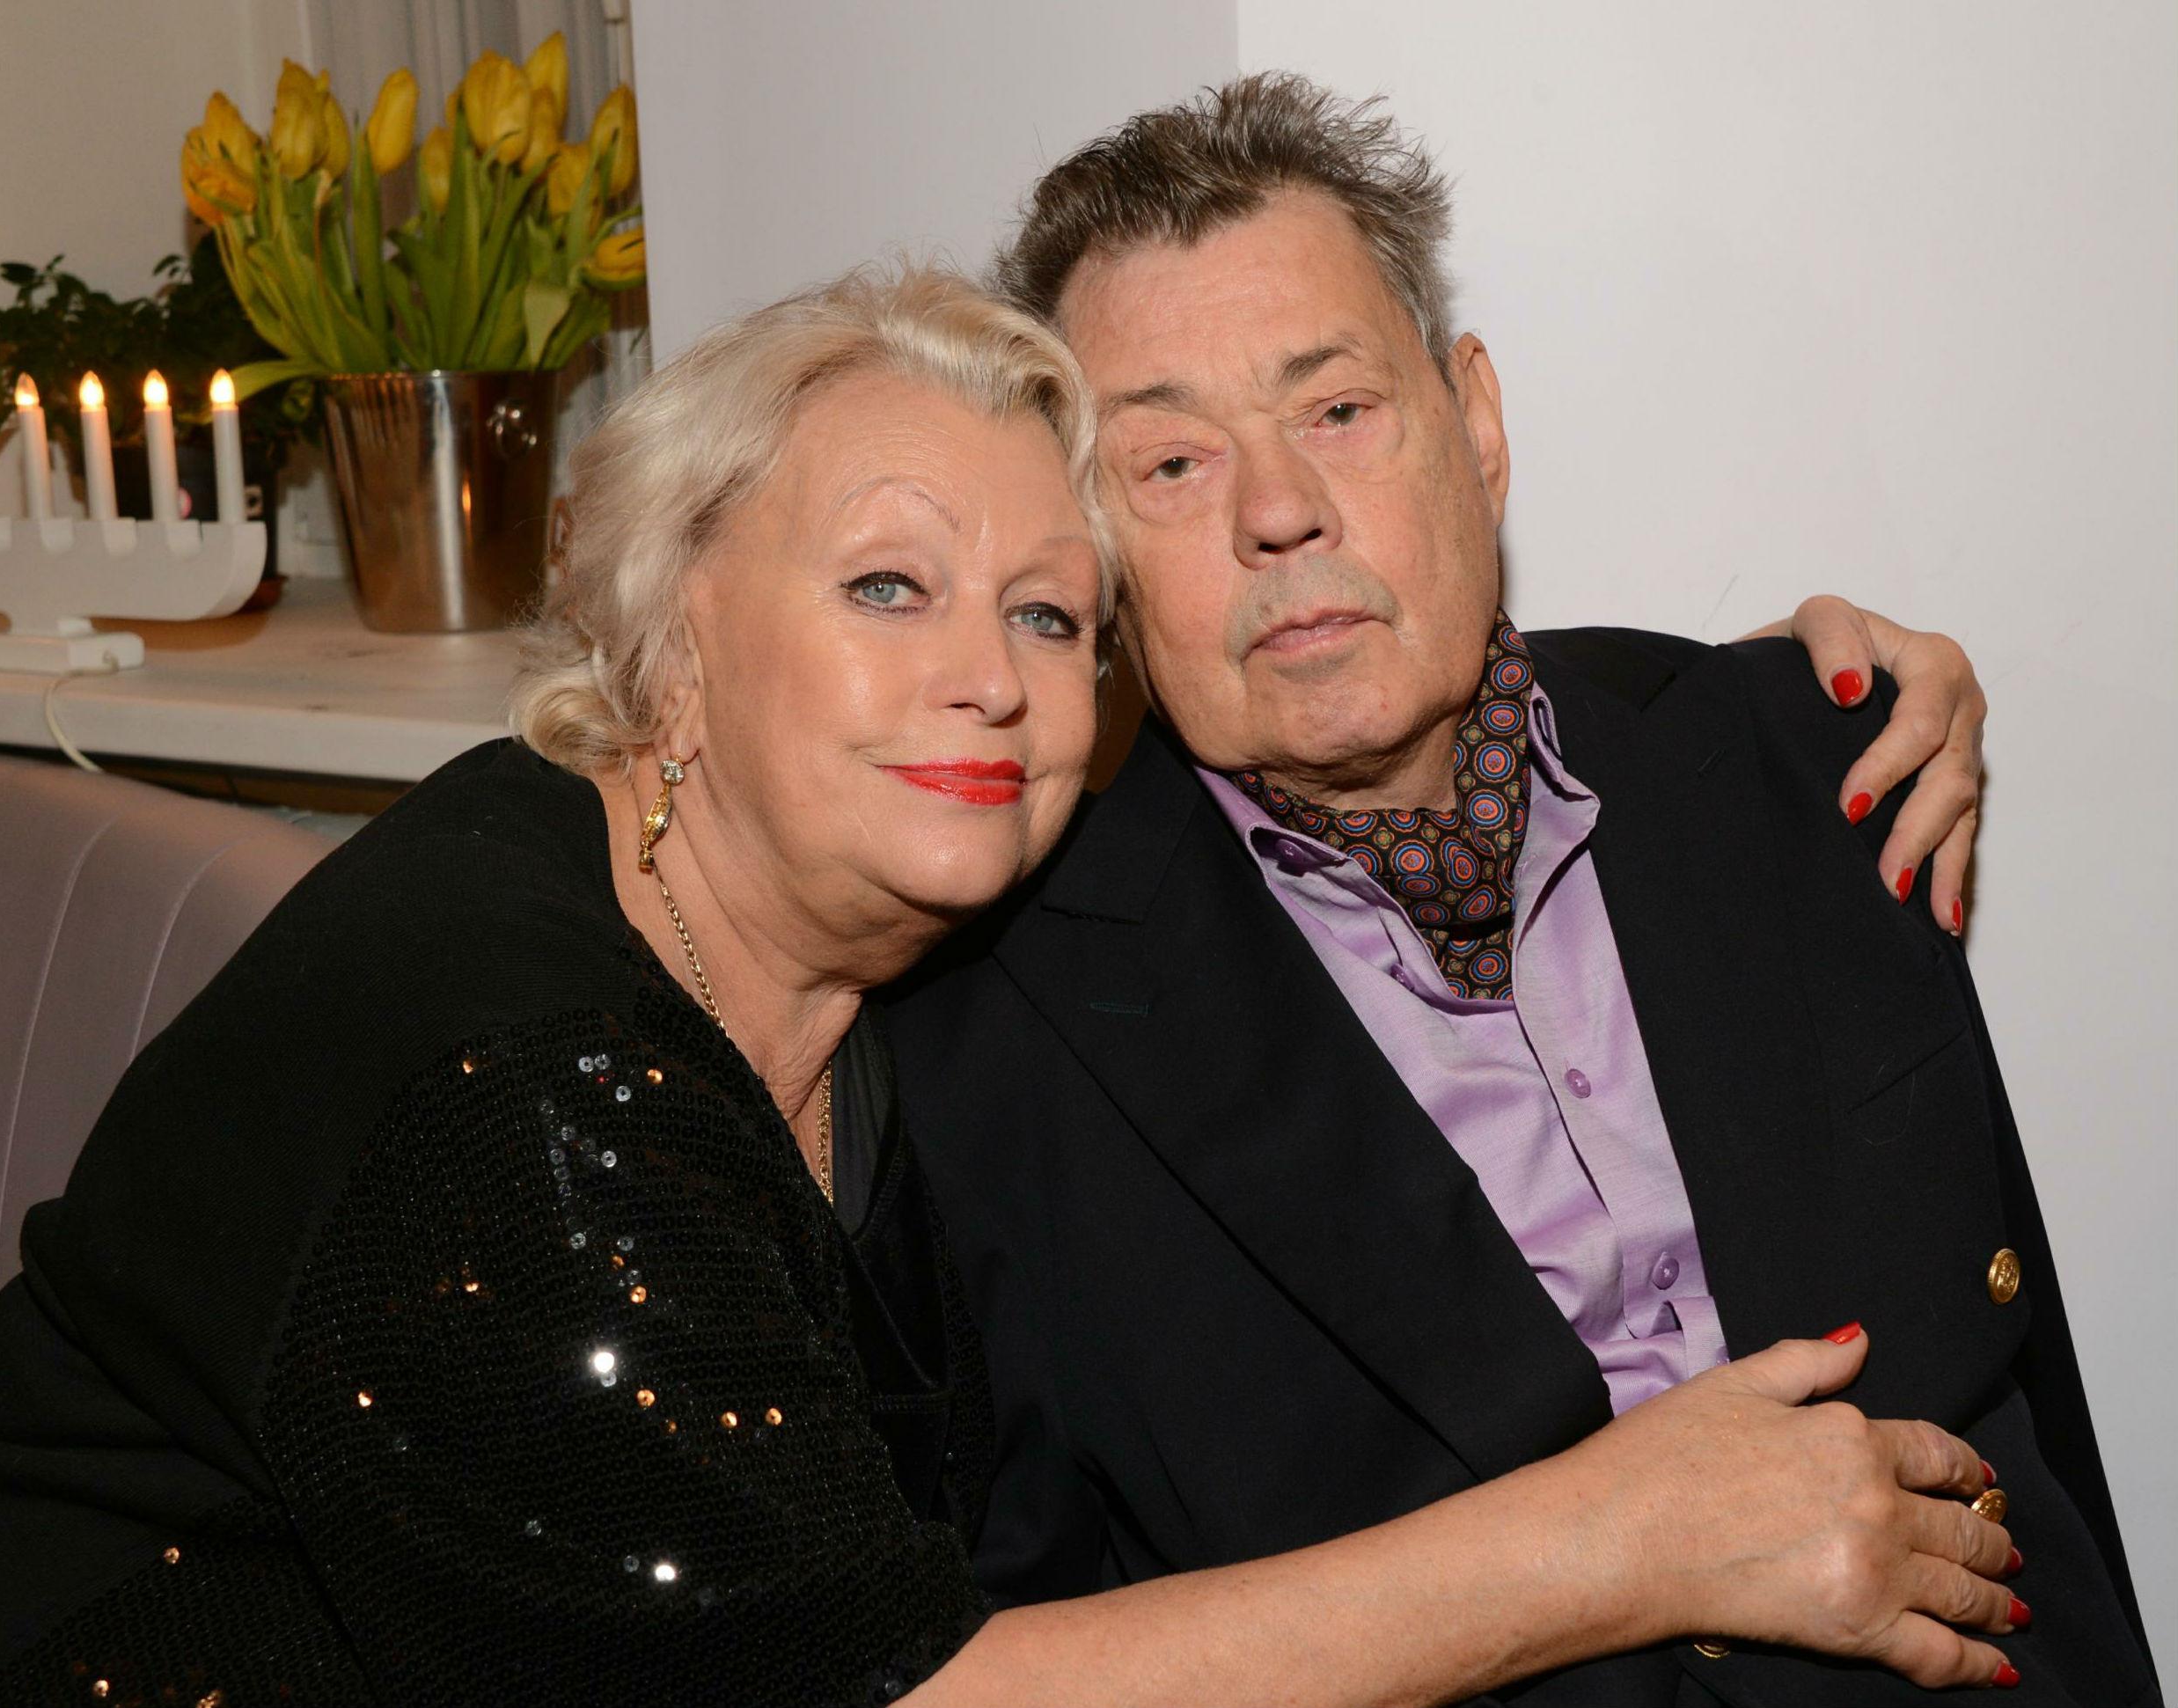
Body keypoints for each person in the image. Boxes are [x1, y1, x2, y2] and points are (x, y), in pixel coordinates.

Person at [0, 267, 2014, 1707]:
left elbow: (1345, 702)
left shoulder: (844, 929)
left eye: (1048, 614)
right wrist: (1620, 1537)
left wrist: (1746, 717)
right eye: (888, 584)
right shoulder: (528, 1077)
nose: (988, 675)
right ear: (672, 628)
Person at [884, 77, 2160, 1705]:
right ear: (1093, 556)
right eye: (1173, 461)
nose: (1278, 511)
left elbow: (2033, 1397)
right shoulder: (994, 1027)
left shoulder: (1813, 758)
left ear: (1473, 423)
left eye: (1337, 410)